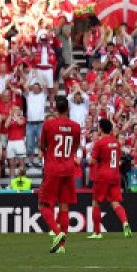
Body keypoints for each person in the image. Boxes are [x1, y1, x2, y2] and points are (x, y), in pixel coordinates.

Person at [39, 94, 81, 254]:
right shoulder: (76, 127)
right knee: (64, 205)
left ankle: (57, 233)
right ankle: (62, 247)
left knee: (43, 205)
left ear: (55, 108)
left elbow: (43, 146)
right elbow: (75, 148)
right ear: (68, 108)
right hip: (68, 168)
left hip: (53, 168)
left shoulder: (49, 125)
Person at [87, 118, 132, 240]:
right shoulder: (116, 143)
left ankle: (97, 233)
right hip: (115, 175)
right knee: (115, 203)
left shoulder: (99, 143)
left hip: (102, 176)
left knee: (96, 202)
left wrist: (88, 158)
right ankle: (125, 223)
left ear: (101, 129)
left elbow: (92, 161)